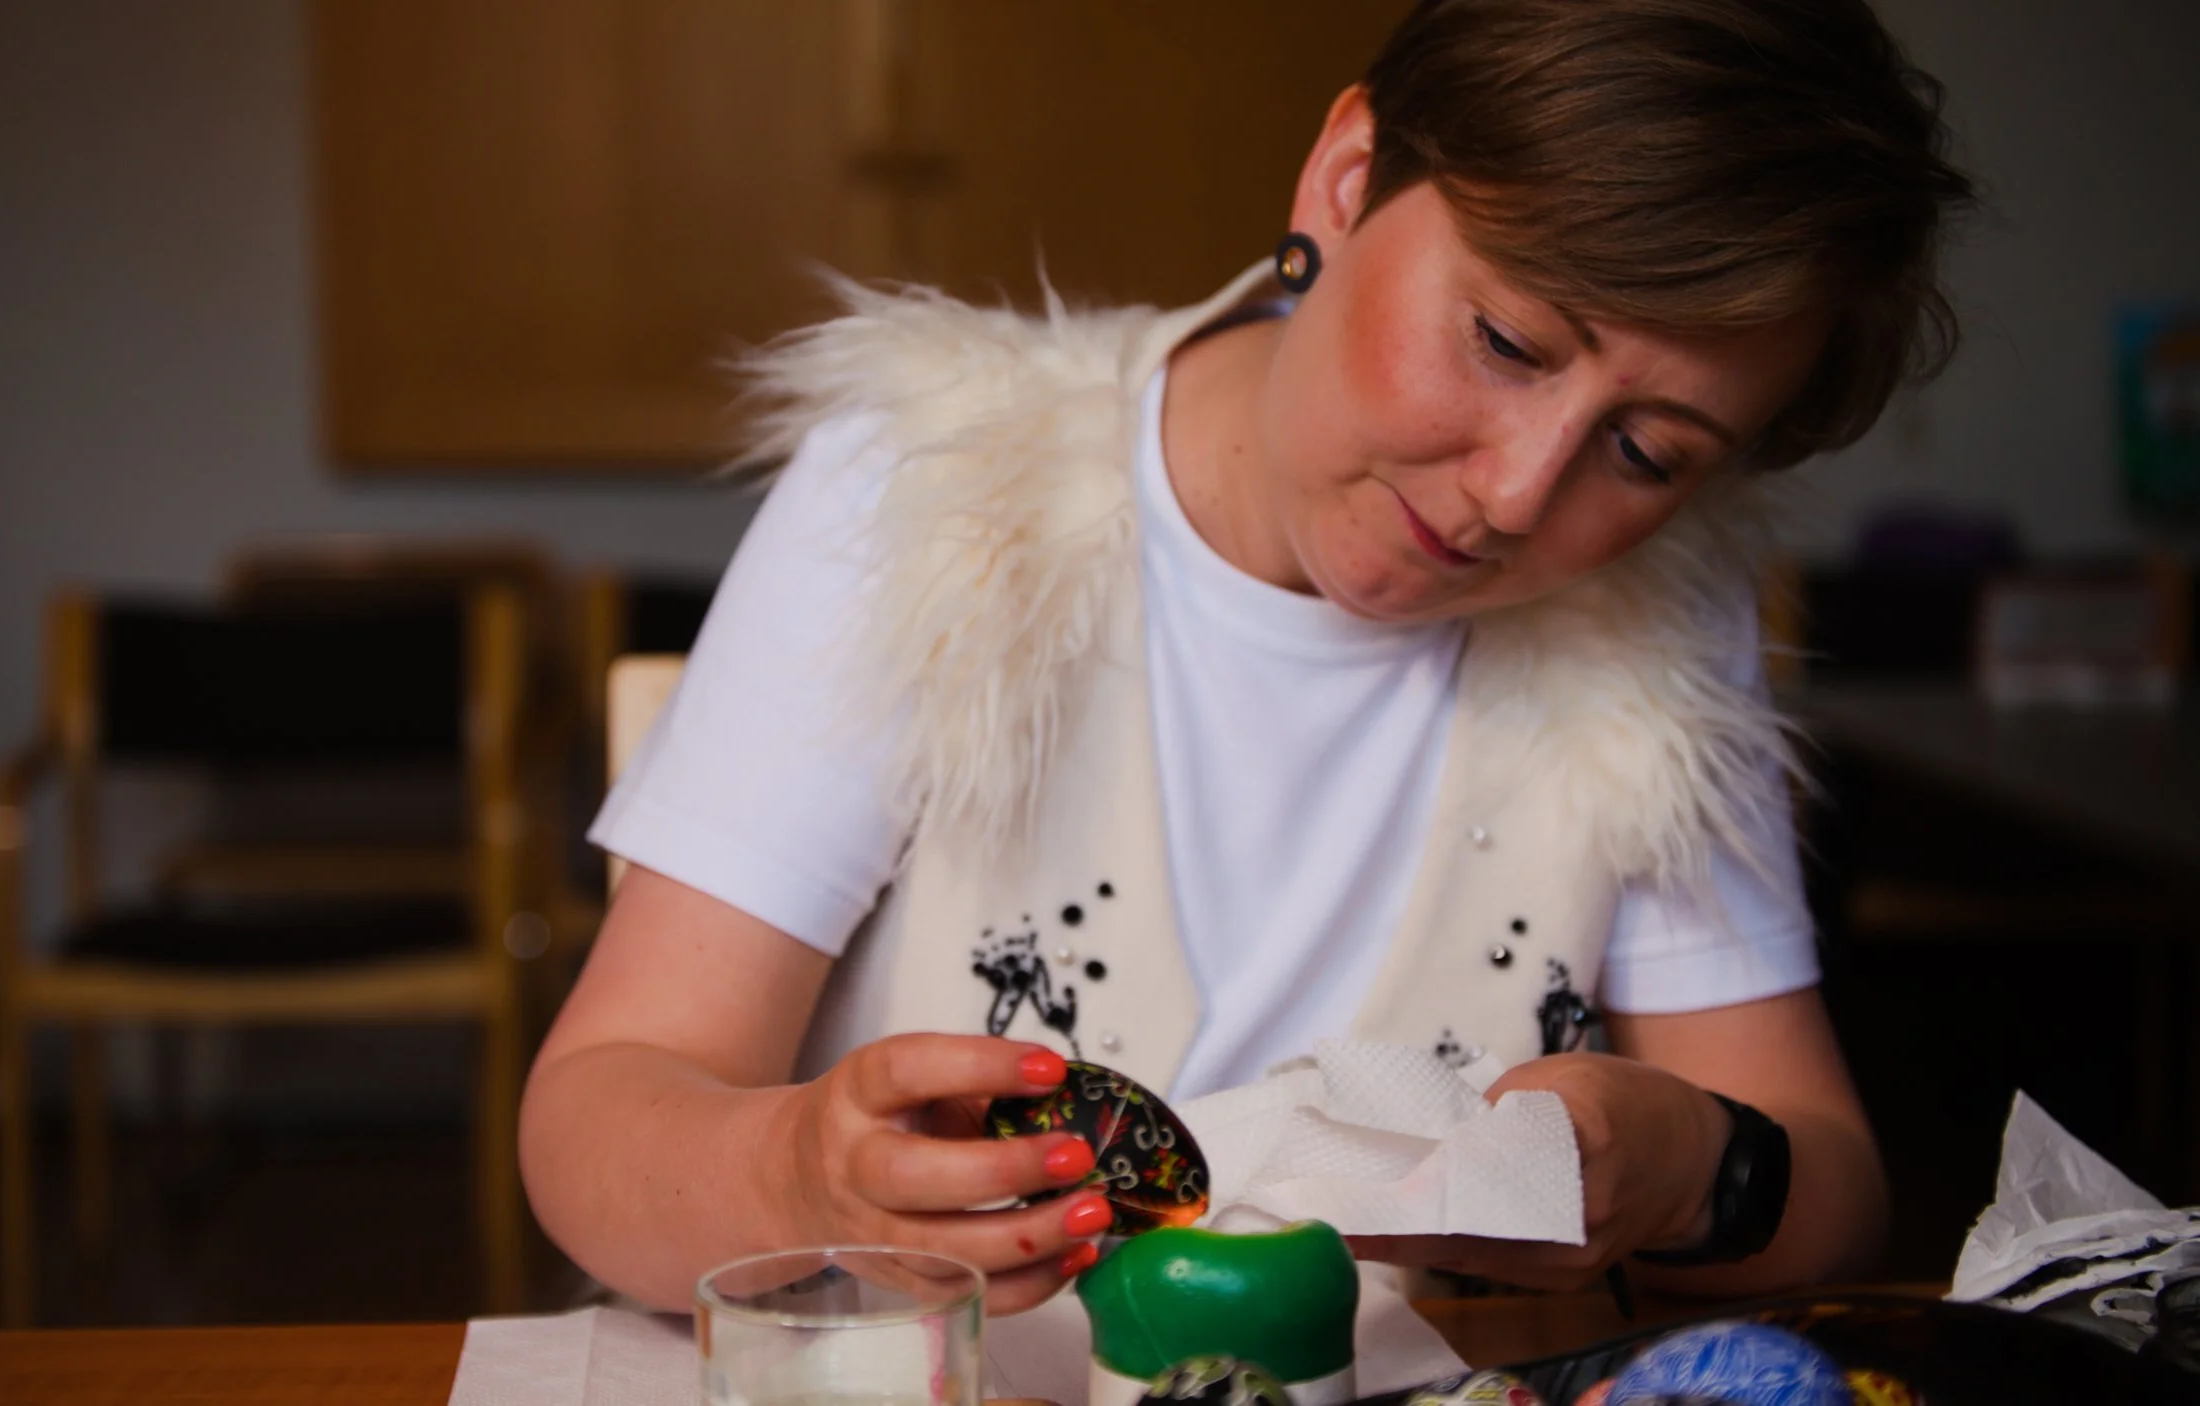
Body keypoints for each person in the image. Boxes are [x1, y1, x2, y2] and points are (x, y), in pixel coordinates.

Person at [521, 0, 1974, 1317]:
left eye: (1649, 452)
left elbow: (1832, 1189)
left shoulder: (1646, 623)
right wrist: (797, 1171)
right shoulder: (928, 491)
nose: (1520, 492)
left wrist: (1695, 1163)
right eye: (1509, 342)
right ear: (1347, 179)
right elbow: (594, 1122)